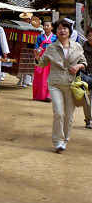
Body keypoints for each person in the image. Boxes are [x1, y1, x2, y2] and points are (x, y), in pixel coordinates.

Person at [36, 19, 87, 152]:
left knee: (69, 115)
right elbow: (42, 63)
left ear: (69, 31)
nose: (62, 30)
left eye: (65, 28)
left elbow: (84, 62)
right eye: (59, 28)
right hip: (55, 83)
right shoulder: (51, 47)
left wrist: (78, 66)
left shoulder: (77, 46)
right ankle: (58, 141)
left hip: (71, 85)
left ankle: (65, 140)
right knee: (58, 112)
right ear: (55, 32)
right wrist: (37, 57)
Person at [33, 19, 56, 102]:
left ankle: (49, 95)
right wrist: (37, 52)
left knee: (50, 77)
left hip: (51, 58)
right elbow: (36, 47)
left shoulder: (55, 37)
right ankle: (39, 95)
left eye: (48, 25)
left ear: (52, 27)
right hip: (41, 57)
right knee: (40, 77)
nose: (46, 27)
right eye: (45, 25)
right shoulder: (39, 37)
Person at [17, 12, 34, 87]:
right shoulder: (20, 26)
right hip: (21, 46)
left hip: (29, 47)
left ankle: (25, 81)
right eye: (23, 19)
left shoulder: (33, 27)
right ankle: (20, 78)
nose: (25, 21)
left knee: (27, 65)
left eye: (26, 19)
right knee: (20, 64)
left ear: (29, 20)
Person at [81, 26, 92, 129]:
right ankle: (88, 120)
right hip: (86, 78)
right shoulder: (82, 48)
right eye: (89, 35)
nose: (91, 38)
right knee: (87, 100)